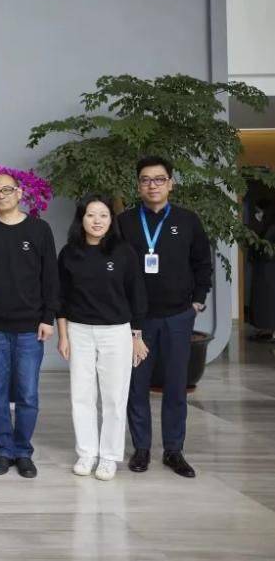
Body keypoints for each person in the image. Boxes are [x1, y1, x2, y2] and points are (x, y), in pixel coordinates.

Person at [118, 156, 212, 478]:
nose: (152, 185)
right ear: (138, 185)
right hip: (138, 321)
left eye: (159, 179)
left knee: (175, 385)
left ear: (170, 183)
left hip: (177, 317)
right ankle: (141, 448)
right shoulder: (125, 222)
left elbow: (202, 263)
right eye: (146, 180)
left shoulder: (188, 220)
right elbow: (115, 268)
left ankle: (174, 450)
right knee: (137, 386)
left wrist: (197, 302)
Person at [57, 195, 147, 481]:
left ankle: (109, 457)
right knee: (81, 395)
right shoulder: (69, 253)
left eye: (103, 215)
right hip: (79, 331)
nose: (97, 221)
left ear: (111, 220)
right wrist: (63, 336)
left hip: (116, 332)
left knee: (114, 397)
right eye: (91, 215)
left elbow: (136, 294)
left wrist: (136, 335)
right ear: (81, 219)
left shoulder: (124, 252)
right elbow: (61, 298)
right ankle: (86, 453)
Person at [0, 173, 58, 478]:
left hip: (30, 327)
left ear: (20, 193)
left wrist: (48, 318)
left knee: (27, 394)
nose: (0, 195)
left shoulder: (39, 229)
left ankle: (23, 450)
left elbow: (50, 277)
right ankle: (4, 449)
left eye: (6, 190)